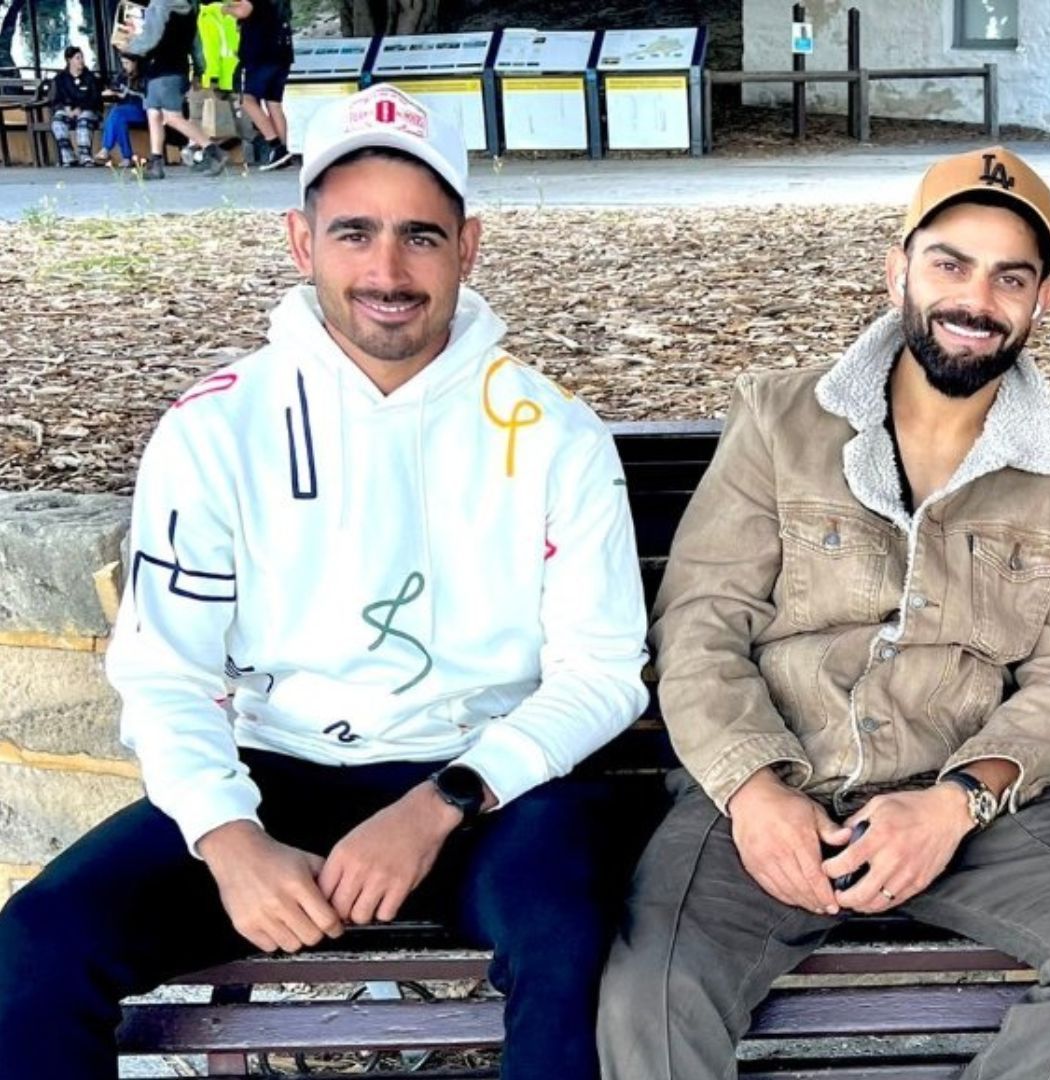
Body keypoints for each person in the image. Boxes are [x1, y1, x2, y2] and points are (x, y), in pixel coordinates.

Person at [0, 85, 649, 1080]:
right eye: (354, 233)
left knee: (574, 939)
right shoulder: (216, 429)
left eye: (421, 237)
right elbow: (167, 670)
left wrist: (440, 802)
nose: (387, 271)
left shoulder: (554, 433)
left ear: (468, 247)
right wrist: (226, 839)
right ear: (302, 245)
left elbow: (603, 673)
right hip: (278, 774)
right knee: (38, 944)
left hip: (486, 786)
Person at [597, 145, 1050, 1080]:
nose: (974, 299)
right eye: (949, 262)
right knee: (650, 996)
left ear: (1042, 301)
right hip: (775, 785)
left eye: (1009, 277)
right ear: (898, 267)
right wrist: (754, 794)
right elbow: (702, 623)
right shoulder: (784, 418)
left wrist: (955, 805)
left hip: (970, 803)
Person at [121, 0, 226, 178]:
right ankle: (156, 163)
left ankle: (213, 150)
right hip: (178, 68)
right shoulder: (190, 9)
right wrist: (200, 71)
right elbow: (196, 44)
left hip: (160, 68)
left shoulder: (160, 5)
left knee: (172, 117)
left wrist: (129, 49)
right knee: (153, 113)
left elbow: (151, 37)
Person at [225, 0, 295, 169]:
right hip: (282, 51)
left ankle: (275, 144)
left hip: (259, 53)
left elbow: (244, 10)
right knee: (274, 103)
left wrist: (225, 8)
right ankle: (283, 152)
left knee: (246, 98)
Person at [49, 46, 104, 167]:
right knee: (57, 121)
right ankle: (68, 157)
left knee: (84, 119)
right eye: (77, 58)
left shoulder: (90, 78)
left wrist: (80, 108)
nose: (81, 61)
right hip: (68, 111)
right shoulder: (61, 79)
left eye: (82, 57)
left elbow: (95, 98)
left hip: (89, 111)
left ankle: (85, 157)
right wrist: (65, 108)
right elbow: (56, 100)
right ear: (69, 60)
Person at [94, 55, 148, 167]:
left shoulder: (144, 75)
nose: (125, 66)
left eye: (127, 63)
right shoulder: (122, 75)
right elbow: (115, 87)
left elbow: (145, 95)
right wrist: (111, 92)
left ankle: (107, 149)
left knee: (117, 112)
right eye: (123, 63)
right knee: (118, 117)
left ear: (135, 62)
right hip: (124, 109)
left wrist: (127, 93)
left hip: (142, 109)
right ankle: (127, 158)